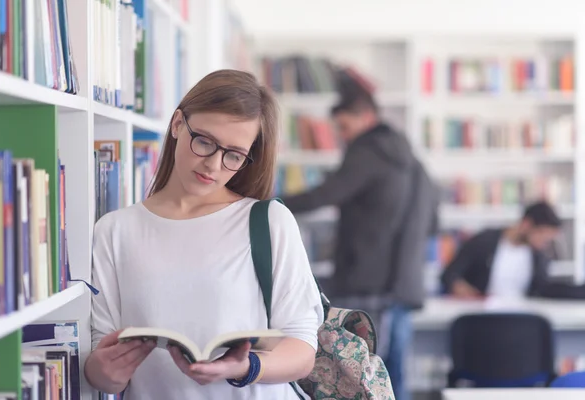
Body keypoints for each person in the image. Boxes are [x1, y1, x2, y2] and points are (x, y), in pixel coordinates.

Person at [84, 70, 324, 400]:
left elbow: (301, 350)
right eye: (205, 142)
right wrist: (101, 372)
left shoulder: (269, 222)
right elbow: (104, 367)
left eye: (234, 155)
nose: (213, 165)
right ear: (178, 124)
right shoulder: (115, 230)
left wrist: (245, 368)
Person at [280, 87, 439, 400]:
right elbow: (433, 221)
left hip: (368, 284)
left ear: (366, 118)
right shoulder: (412, 160)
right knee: (392, 378)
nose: (342, 136)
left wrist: (269, 205)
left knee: (357, 380)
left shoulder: (368, 151)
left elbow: (326, 194)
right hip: (403, 286)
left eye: (344, 127)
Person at [441, 201, 573, 299]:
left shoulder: (538, 256)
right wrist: (461, 288)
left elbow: (542, 288)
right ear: (526, 224)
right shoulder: (483, 241)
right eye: (542, 237)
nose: (544, 244)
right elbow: (449, 276)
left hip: (522, 319)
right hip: (482, 316)